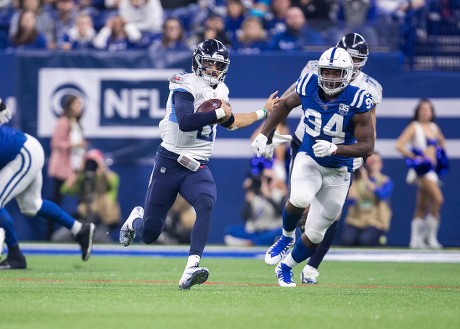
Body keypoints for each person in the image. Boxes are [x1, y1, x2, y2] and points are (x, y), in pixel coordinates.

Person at [119, 39, 281, 290]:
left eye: (219, 65)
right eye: (209, 63)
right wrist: (219, 113)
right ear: (198, 62)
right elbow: (185, 121)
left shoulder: (222, 91)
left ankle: (191, 268)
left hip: (197, 165)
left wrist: (263, 112)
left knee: (206, 202)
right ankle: (136, 219)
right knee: (150, 234)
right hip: (170, 161)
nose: (214, 69)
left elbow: (232, 122)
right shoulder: (184, 84)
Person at [259, 32, 383, 284]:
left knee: (325, 221)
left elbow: (370, 133)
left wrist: (354, 152)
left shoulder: (366, 90)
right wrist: (266, 133)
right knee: (300, 199)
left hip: (341, 157)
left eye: (355, 58)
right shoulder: (313, 73)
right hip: (308, 144)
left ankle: (308, 266)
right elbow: (287, 101)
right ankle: (286, 236)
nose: (332, 74)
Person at [0, 99, 95, 270]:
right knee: (32, 205)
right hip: (26, 148)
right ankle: (79, 229)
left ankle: (15, 254)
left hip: (22, 152)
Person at [395, 98, 447, 249]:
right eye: (422, 109)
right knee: (438, 199)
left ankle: (416, 240)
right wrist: (416, 156)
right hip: (422, 170)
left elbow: (441, 143)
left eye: (428, 109)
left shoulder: (434, 127)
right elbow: (399, 145)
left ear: (432, 112)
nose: (425, 112)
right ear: (417, 111)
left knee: (422, 204)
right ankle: (428, 237)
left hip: (433, 170)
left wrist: (437, 153)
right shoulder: (414, 126)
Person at [52, 149, 121, 243]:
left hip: (100, 222)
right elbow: (65, 189)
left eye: (94, 163)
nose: (91, 166)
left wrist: (101, 167)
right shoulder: (82, 179)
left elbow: (112, 183)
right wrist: (79, 171)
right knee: (58, 238)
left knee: (103, 241)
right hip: (82, 221)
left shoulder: (109, 178)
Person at [224, 160, 287, 247]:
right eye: (263, 179)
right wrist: (248, 199)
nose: (265, 182)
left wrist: (268, 197)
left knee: (281, 232)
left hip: (271, 230)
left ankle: (253, 242)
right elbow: (245, 216)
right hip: (256, 231)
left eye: (268, 179)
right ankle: (256, 241)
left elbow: (281, 212)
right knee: (230, 230)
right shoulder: (254, 195)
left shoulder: (279, 194)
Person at [341, 152, 393, 246]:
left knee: (365, 241)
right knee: (347, 240)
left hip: (376, 221)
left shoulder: (385, 181)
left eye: (375, 162)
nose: (373, 164)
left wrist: (367, 181)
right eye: (371, 162)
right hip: (357, 220)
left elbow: (383, 195)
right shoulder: (357, 181)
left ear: (380, 164)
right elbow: (351, 201)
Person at [48, 94, 86, 208]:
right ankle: (50, 225)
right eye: (76, 104)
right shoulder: (63, 121)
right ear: (69, 106)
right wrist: (74, 145)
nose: (79, 107)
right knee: (57, 197)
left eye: (80, 104)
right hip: (62, 167)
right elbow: (56, 143)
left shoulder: (76, 123)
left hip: (75, 166)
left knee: (80, 196)